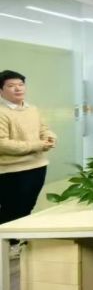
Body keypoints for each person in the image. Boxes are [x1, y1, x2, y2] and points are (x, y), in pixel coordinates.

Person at [0, 70, 56, 233]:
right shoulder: (2, 112)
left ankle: (16, 241)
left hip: (37, 166)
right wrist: (38, 145)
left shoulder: (32, 108)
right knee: (12, 209)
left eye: (21, 84)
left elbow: (44, 129)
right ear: (1, 90)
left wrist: (50, 138)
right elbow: (2, 144)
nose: (18, 88)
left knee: (27, 207)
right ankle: (8, 241)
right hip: (11, 170)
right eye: (11, 86)